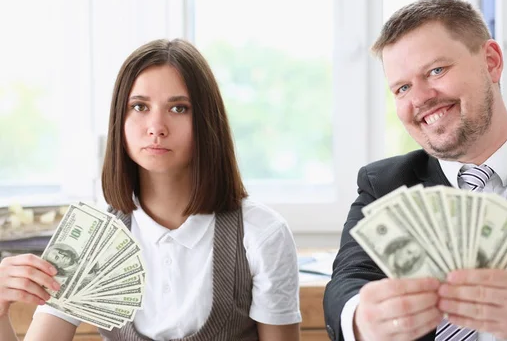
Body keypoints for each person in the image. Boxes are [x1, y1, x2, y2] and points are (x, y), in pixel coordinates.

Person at [323, 0, 507, 341]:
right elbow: (346, 284)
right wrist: (361, 318)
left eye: (436, 71)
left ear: (492, 61)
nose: (420, 98)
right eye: (403, 88)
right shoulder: (384, 185)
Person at [0, 38, 302, 341]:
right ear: (120, 118)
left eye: (179, 108)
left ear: (207, 121)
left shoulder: (262, 234)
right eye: (140, 106)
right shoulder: (90, 240)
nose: (156, 126)